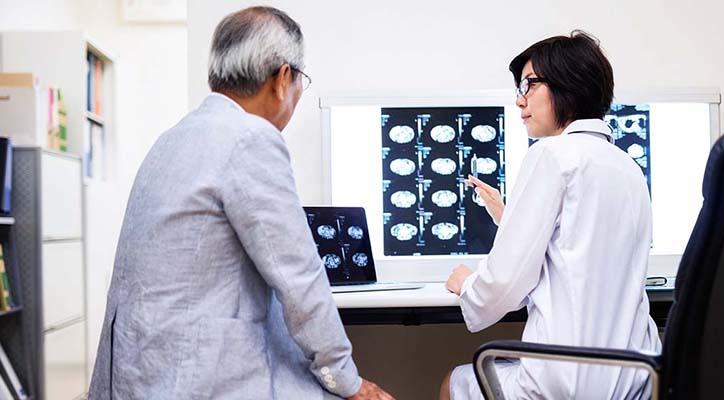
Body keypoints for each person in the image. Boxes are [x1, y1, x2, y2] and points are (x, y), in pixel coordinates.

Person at [88, 6, 393, 400]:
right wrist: (348, 383)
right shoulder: (249, 137)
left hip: (140, 374)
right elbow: (300, 279)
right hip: (197, 379)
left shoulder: (174, 138)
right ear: (283, 78)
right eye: (302, 80)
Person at [441, 31, 661, 399]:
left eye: (529, 84)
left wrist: (466, 283)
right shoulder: (626, 165)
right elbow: (578, 251)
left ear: (568, 85)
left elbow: (505, 285)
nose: (519, 100)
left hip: (567, 380)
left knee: (453, 382)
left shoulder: (552, 154)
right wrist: (509, 219)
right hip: (634, 377)